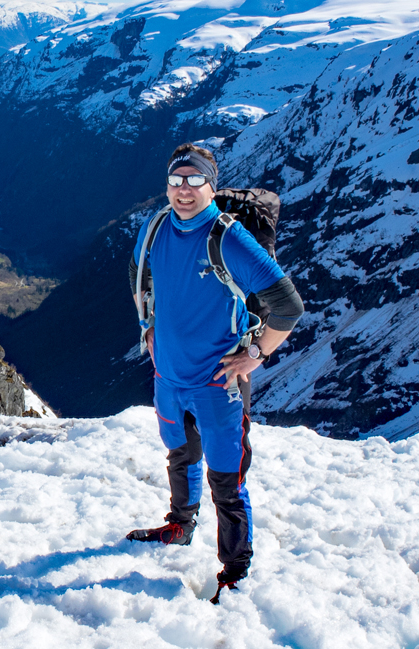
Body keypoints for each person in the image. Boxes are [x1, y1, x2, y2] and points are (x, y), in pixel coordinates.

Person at [125, 143, 304, 603]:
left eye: (195, 181)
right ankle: (180, 526)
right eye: (176, 181)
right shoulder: (156, 225)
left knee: (227, 479)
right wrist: (148, 327)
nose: (184, 191)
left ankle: (235, 570)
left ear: (212, 185)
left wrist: (256, 355)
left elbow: (288, 305)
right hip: (169, 377)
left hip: (217, 384)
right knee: (180, 456)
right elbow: (140, 275)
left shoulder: (227, 238)